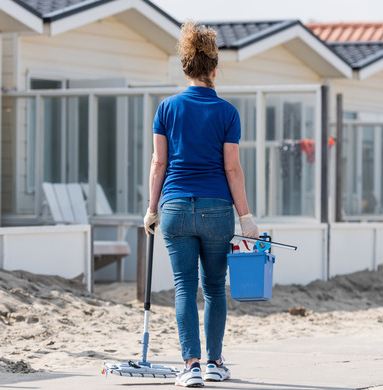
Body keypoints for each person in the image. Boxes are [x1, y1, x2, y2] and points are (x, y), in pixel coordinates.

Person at [143, 20, 259, 388]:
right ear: (212, 68)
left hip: (175, 207)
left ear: (187, 67)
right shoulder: (227, 112)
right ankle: (214, 362)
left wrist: (151, 208)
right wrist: (246, 217)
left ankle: (190, 366)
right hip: (217, 210)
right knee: (213, 288)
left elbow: (158, 162)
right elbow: (232, 168)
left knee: (183, 286)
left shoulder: (166, 108)